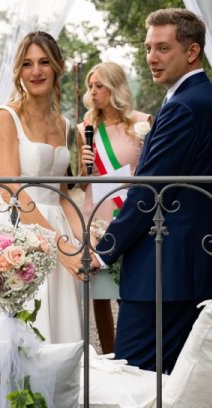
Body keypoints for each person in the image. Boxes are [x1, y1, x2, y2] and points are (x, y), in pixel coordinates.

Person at [95, 8, 212, 373]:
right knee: (182, 385)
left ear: (191, 52)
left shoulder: (186, 106)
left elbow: (151, 191)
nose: (151, 59)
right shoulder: (207, 100)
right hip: (193, 269)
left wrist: (103, 250)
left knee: (134, 378)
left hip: (167, 273)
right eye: (148, 48)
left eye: (162, 48)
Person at [0, 31, 84, 361]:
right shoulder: (5, 117)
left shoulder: (65, 124)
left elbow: (63, 194)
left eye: (43, 62)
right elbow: (13, 190)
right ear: (18, 71)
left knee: (56, 329)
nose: (36, 71)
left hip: (56, 226)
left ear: (57, 67)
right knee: (16, 329)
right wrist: (59, 246)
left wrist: (79, 240)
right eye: (27, 64)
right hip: (17, 230)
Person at [76, 62, 151, 355]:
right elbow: (83, 185)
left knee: (129, 285)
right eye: (90, 86)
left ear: (115, 87)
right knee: (99, 289)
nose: (92, 92)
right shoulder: (86, 129)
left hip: (130, 212)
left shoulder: (142, 123)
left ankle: (131, 349)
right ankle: (109, 351)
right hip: (97, 214)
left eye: (99, 86)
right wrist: (84, 167)